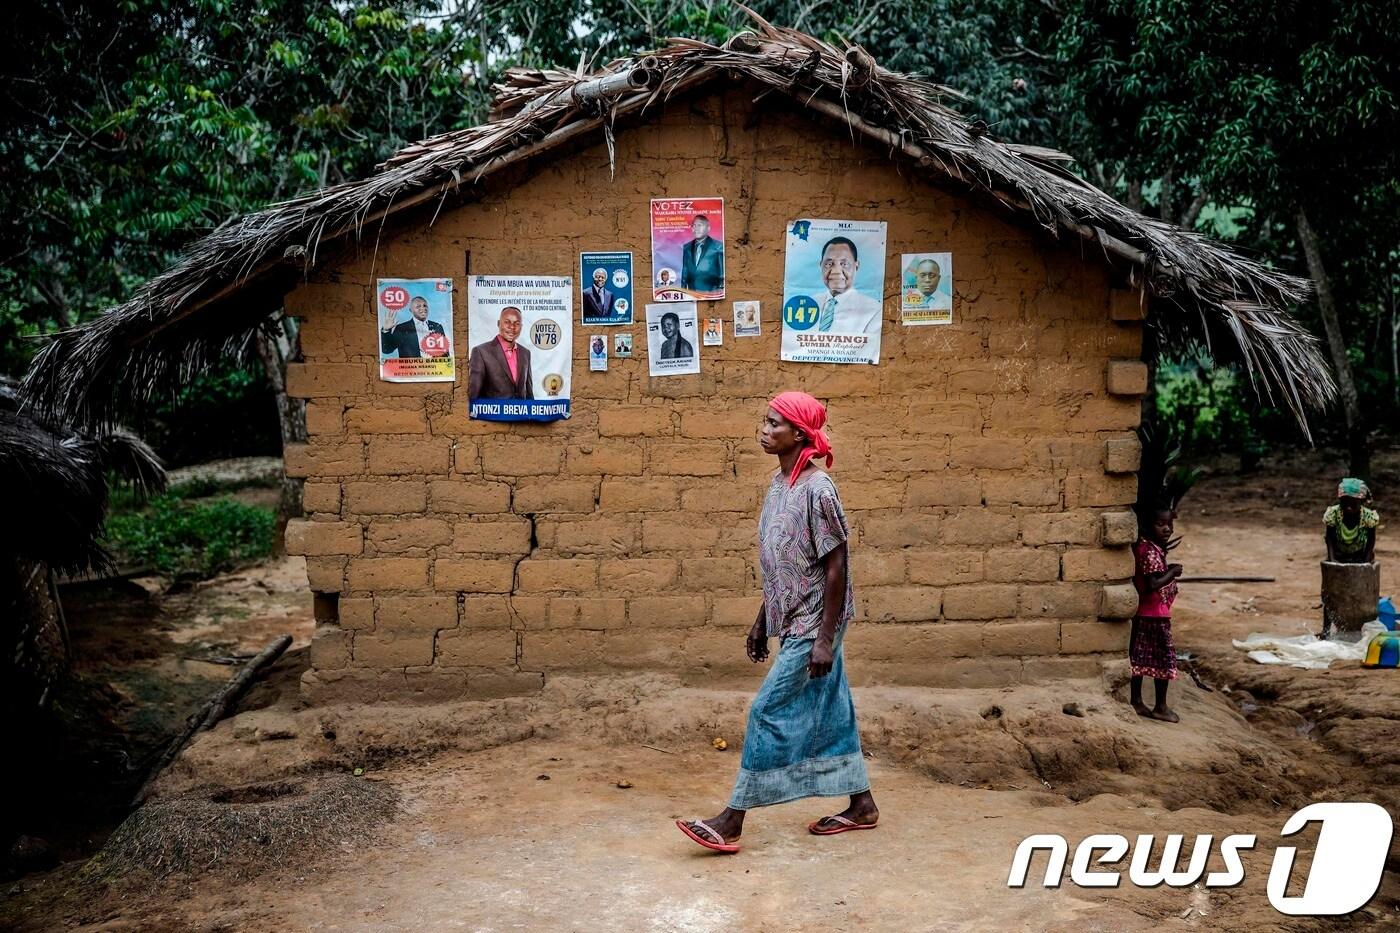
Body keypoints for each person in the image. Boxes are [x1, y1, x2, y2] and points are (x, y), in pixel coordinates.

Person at [676, 392, 876, 854]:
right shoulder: (778, 484)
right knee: (833, 708)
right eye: (764, 422)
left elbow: (836, 564)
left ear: (800, 435)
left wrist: (824, 639)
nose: (764, 430)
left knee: (766, 709)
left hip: (813, 622)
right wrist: (762, 619)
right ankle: (862, 803)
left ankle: (732, 819)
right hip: (790, 616)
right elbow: (781, 562)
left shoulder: (818, 489)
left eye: (774, 424)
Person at [1130, 506, 1183, 723]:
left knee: (1139, 659)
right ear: (1147, 525)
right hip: (1154, 614)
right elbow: (1152, 584)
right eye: (1160, 524)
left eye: (1169, 524)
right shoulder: (1149, 550)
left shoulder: (1149, 547)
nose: (1167, 529)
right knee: (1163, 660)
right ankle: (1160, 707)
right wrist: (1171, 572)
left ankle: (1136, 701)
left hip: (1149, 612)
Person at [815, 237, 882, 333]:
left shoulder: (874, 311)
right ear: (821, 265)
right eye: (829, 264)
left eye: (844, 264)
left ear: (856, 266)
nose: (836, 271)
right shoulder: (808, 303)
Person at [468, 306, 533, 400]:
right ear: (498, 323)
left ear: (521, 327)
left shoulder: (525, 353)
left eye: (517, 323)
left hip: (521, 414)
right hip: (493, 414)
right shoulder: (481, 352)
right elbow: (474, 396)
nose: (512, 327)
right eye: (507, 322)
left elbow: (529, 393)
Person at [1324, 477, 1379, 564]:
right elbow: (1329, 538)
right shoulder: (1333, 514)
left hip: (1360, 556)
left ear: (1362, 501)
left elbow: (1371, 539)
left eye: (1353, 503)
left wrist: (1366, 561)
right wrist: (1332, 559)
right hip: (1338, 555)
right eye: (1345, 503)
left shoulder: (1368, 517)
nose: (1348, 507)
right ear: (1340, 500)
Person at [380, 296, 446, 358]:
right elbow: (387, 350)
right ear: (410, 310)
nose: (423, 308)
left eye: (425, 306)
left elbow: (444, 351)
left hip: (434, 368)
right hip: (411, 369)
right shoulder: (402, 328)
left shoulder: (437, 326)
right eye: (418, 306)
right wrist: (386, 330)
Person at [680, 214, 724, 294]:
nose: (696, 229)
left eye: (700, 225)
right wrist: (682, 291)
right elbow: (685, 271)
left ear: (708, 228)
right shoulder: (687, 247)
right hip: (692, 294)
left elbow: (722, 273)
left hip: (711, 294)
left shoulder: (718, 247)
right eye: (694, 226)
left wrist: (720, 290)